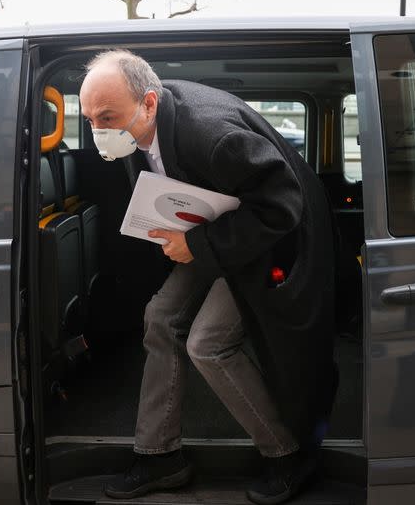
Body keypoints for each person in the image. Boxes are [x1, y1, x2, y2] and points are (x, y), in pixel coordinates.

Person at [78, 50, 337, 505]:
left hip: (272, 237)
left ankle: (288, 454)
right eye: (90, 118)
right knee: (160, 316)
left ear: (150, 104)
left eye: (106, 117)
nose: (98, 129)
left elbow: (282, 206)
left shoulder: (211, 134)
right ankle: (161, 457)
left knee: (208, 344)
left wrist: (196, 246)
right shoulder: (135, 129)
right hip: (218, 231)